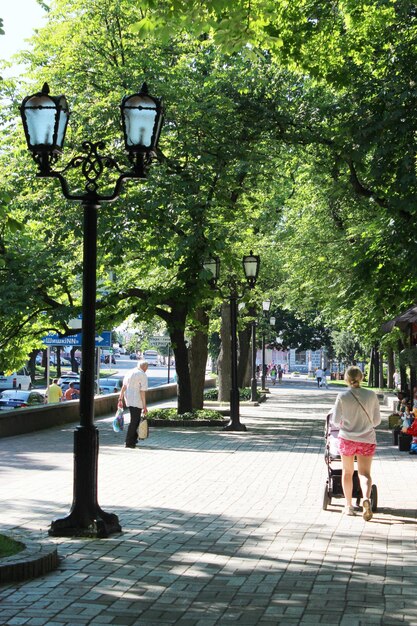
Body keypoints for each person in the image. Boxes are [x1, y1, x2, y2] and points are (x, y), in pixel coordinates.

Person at [332, 366, 381, 520]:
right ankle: (366, 498)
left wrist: (345, 424)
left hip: (347, 439)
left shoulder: (343, 396)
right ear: (361, 377)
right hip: (367, 439)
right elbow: (377, 421)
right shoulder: (371, 395)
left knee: (347, 472)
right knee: (364, 473)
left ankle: (348, 506)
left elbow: (334, 420)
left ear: (346, 378)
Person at [119, 360, 149, 449]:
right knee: (134, 421)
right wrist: (144, 406)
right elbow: (142, 392)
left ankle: (133, 439)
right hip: (137, 401)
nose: (146, 370)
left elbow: (123, 386)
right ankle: (129, 441)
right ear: (144, 367)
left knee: (135, 420)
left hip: (128, 399)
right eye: (146, 368)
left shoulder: (129, 372)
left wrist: (120, 398)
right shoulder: (142, 375)